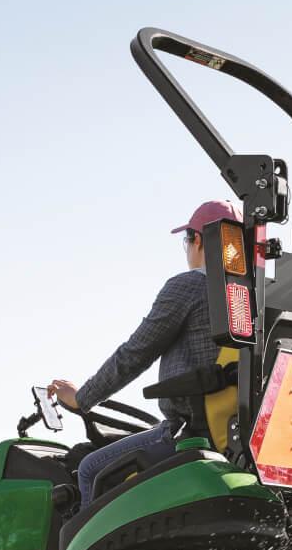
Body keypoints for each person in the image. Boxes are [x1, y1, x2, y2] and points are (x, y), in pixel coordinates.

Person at [49, 199, 242, 507]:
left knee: (88, 471)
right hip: (238, 434)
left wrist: (82, 398)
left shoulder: (190, 286)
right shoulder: (250, 297)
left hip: (190, 430)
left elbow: (134, 354)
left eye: (186, 240)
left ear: (200, 241)